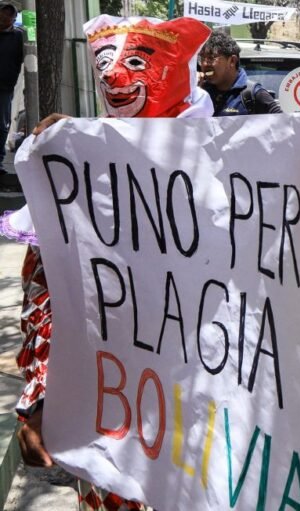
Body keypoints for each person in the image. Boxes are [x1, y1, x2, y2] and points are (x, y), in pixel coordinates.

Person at [1, 14, 212, 511]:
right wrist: (36, 402)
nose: (116, 78)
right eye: (106, 65)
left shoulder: (235, 166)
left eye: (136, 64)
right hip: (113, 421)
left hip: (208, 426)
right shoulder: (79, 166)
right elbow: (47, 298)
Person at [198, 30, 282, 116]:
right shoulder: (200, 91)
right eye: (202, 58)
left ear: (232, 61)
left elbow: (283, 124)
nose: (204, 64)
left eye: (211, 58)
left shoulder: (254, 94)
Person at [0, 2, 23, 177]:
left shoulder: (18, 37)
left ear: (14, 19)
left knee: (1, 126)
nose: (4, 18)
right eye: (2, 14)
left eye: (9, 15)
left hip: (4, 88)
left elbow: (28, 56)